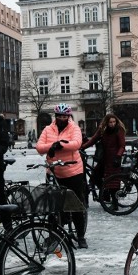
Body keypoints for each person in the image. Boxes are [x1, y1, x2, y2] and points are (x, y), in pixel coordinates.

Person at [36, 103, 88, 248]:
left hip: (72, 170)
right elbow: (39, 148)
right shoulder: (48, 129)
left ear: (68, 116)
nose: (62, 118)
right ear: (56, 116)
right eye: (60, 116)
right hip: (54, 171)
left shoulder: (74, 127)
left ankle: (80, 235)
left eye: (65, 116)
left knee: (75, 204)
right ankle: (53, 234)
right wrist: (52, 146)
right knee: (53, 206)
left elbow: (77, 143)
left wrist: (61, 145)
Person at [81, 114, 127, 210]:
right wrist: (82, 147)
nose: (112, 124)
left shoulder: (119, 130)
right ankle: (105, 193)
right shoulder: (103, 130)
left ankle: (115, 204)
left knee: (113, 181)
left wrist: (118, 156)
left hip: (114, 159)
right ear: (107, 122)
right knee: (95, 176)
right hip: (104, 158)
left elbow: (122, 146)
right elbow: (93, 140)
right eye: (110, 122)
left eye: (114, 122)